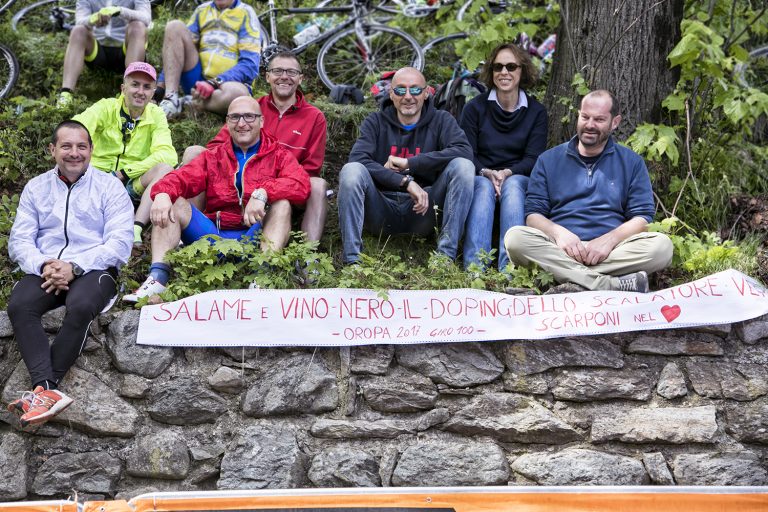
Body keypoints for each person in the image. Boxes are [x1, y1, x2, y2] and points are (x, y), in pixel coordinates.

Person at [5, 120, 133, 428]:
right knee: (20, 305)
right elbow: (19, 240)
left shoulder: (109, 186)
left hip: (95, 269)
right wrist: (46, 265)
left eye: (81, 146)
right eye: (66, 146)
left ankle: (42, 391)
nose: (74, 153)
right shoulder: (37, 187)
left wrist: (74, 267)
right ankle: (46, 389)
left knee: (81, 305)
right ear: (52, 150)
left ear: (90, 150)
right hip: (47, 268)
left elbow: (120, 242)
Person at [124, 96, 310, 302]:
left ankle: (262, 278)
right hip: (212, 236)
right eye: (235, 117)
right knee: (173, 199)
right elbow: (181, 178)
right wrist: (162, 193)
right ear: (227, 122)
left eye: (249, 116)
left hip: (254, 238)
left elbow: (301, 185)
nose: (241, 123)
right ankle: (157, 279)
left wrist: (263, 192)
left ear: (261, 121)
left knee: (282, 204)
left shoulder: (279, 155)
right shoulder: (214, 156)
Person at [504, 90, 673, 292]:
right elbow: (533, 216)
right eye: (585, 117)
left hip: (612, 251)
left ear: (615, 122)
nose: (590, 125)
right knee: (515, 239)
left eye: (599, 119)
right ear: (578, 116)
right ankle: (608, 284)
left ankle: (569, 278)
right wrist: (559, 234)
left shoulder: (631, 162)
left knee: (662, 247)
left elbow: (642, 218)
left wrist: (608, 241)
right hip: (561, 248)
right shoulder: (548, 160)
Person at [337, 67, 474, 265]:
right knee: (351, 171)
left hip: (425, 212)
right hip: (381, 208)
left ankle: (445, 258)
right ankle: (352, 261)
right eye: (400, 90)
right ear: (391, 94)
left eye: (415, 90)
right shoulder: (375, 122)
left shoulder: (441, 120)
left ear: (427, 93)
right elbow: (357, 159)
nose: (408, 96)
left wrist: (411, 163)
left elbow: (464, 151)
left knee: (463, 167)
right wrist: (406, 182)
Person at [187, 50, 329, 242]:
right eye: (278, 71)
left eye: (291, 72)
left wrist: (269, 188)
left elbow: (310, 171)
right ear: (267, 76)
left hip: (285, 189)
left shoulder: (314, 117)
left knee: (318, 184)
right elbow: (216, 148)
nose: (284, 77)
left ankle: (308, 257)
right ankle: (191, 231)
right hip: (242, 182)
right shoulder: (251, 108)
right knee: (195, 152)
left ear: (300, 78)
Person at [461, 43, 548, 272]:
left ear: (522, 71)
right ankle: (475, 269)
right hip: (482, 173)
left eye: (511, 66)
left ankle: (510, 269)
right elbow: (467, 153)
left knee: (514, 185)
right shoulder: (474, 109)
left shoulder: (537, 112)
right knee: (481, 186)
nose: (504, 72)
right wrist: (487, 173)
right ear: (491, 72)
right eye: (498, 67)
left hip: (517, 177)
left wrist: (507, 173)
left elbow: (533, 159)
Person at [73, 62, 178, 245]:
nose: (140, 91)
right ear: (123, 88)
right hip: (97, 180)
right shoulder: (106, 107)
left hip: (131, 183)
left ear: (153, 92)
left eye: (147, 87)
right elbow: (77, 129)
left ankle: (135, 228)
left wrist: (125, 172)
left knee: (165, 168)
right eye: (135, 84)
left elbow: (168, 155)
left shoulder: (157, 114)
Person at [155, 0, 262, 118]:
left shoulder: (247, 13)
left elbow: (250, 65)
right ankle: (171, 99)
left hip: (228, 85)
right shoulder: (202, 10)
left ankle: (190, 103)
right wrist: (160, 87)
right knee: (174, 26)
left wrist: (215, 82)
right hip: (197, 82)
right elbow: (177, 50)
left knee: (239, 95)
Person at [58, 0, 151, 108]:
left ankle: (133, 90)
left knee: (138, 26)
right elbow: (79, 21)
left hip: (127, 49)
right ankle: (66, 94)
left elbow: (146, 18)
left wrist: (120, 11)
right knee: (78, 30)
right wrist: (94, 18)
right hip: (98, 52)